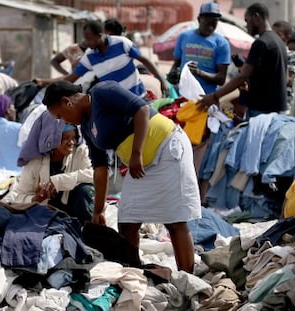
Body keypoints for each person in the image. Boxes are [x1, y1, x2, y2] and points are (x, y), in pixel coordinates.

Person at [42, 80, 201, 272]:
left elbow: (141, 110)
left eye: (61, 116)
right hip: (140, 165)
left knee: (174, 221)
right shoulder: (85, 127)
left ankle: (187, 279)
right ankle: (134, 272)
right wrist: (98, 210)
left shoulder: (102, 92)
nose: (64, 121)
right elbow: (100, 169)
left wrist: (136, 153)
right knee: (128, 221)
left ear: (68, 101)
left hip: (167, 149)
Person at [36, 20, 170, 98]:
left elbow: (145, 60)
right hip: (117, 103)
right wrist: (46, 83)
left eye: (89, 39)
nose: (86, 43)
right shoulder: (90, 56)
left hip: (138, 97)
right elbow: (72, 77)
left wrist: (162, 80)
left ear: (100, 35)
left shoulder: (122, 43)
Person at [199, 3, 288, 118]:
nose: (246, 26)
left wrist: (214, 96)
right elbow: (282, 78)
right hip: (277, 110)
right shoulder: (278, 41)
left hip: (261, 111)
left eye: (247, 20)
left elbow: (242, 77)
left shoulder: (261, 43)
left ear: (256, 17)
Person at [5, 124, 94, 225]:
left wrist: (58, 181)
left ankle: (87, 229)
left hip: (75, 210)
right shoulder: (36, 161)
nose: (71, 142)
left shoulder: (79, 151)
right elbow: (19, 196)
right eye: (65, 138)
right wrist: (36, 199)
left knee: (85, 190)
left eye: (74, 138)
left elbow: (93, 175)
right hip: (47, 215)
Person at [169, 1, 231, 95]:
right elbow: (176, 64)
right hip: (183, 95)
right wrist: (173, 75)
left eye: (214, 22)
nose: (210, 26)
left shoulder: (222, 43)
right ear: (199, 19)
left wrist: (198, 72)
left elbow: (221, 79)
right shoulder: (184, 37)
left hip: (207, 98)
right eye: (208, 21)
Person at [272, 20, 295, 113]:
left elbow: (288, 80)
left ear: (288, 37)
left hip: (283, 106)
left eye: (278, 35)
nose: (274, 38)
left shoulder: (293, 55)